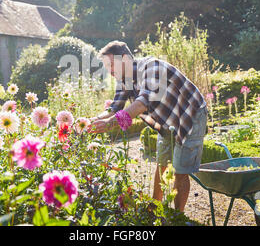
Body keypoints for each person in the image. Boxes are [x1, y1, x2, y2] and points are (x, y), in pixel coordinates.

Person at [89, 41, 208, 212]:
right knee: (162, 165)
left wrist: (111, 124)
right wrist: (90, 121)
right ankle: (154, 210)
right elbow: (114, 107)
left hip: (190, 114)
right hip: (166, 121)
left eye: (111, 64)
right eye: (107, 66)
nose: (109, 70)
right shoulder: (124, 79)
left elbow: (142, 103)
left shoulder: (152, 68)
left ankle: (177, 217)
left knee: (180, 172)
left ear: (124, 58)